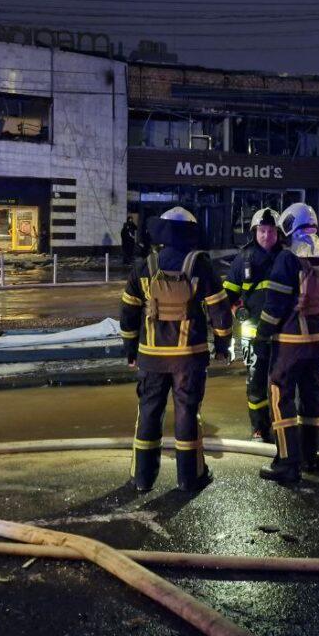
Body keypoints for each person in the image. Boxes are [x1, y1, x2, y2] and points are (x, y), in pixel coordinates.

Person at [119, 207, 231, 493]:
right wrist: (222, 345)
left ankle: (142, 479)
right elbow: (219, 310)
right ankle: (189, 478)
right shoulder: (200, 264)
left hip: (151, 358)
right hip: (189, 359)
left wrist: (131, 349)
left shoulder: (146, 264)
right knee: (187, 414)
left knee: (148, 413)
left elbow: (128, 312)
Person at [255, 202, 319, 484]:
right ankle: (309, 457)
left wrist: (262, 334)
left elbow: (275, 305)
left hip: (291, 341)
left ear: (289, 224)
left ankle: (287, 463)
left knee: (281, 395)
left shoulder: (288, 258)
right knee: (311, 393)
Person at [224, 208, 283, 443]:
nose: (266, 236)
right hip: (253, 334)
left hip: (281, 334)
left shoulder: (286, 258)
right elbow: (228, 293)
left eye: (270, 231)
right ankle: (259, 427)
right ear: (254, 231)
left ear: (278, 233)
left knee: (282, 381)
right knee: (256, 383)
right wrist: (238, 310)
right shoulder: (244, 258)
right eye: (262, 231)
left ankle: (283, 423)